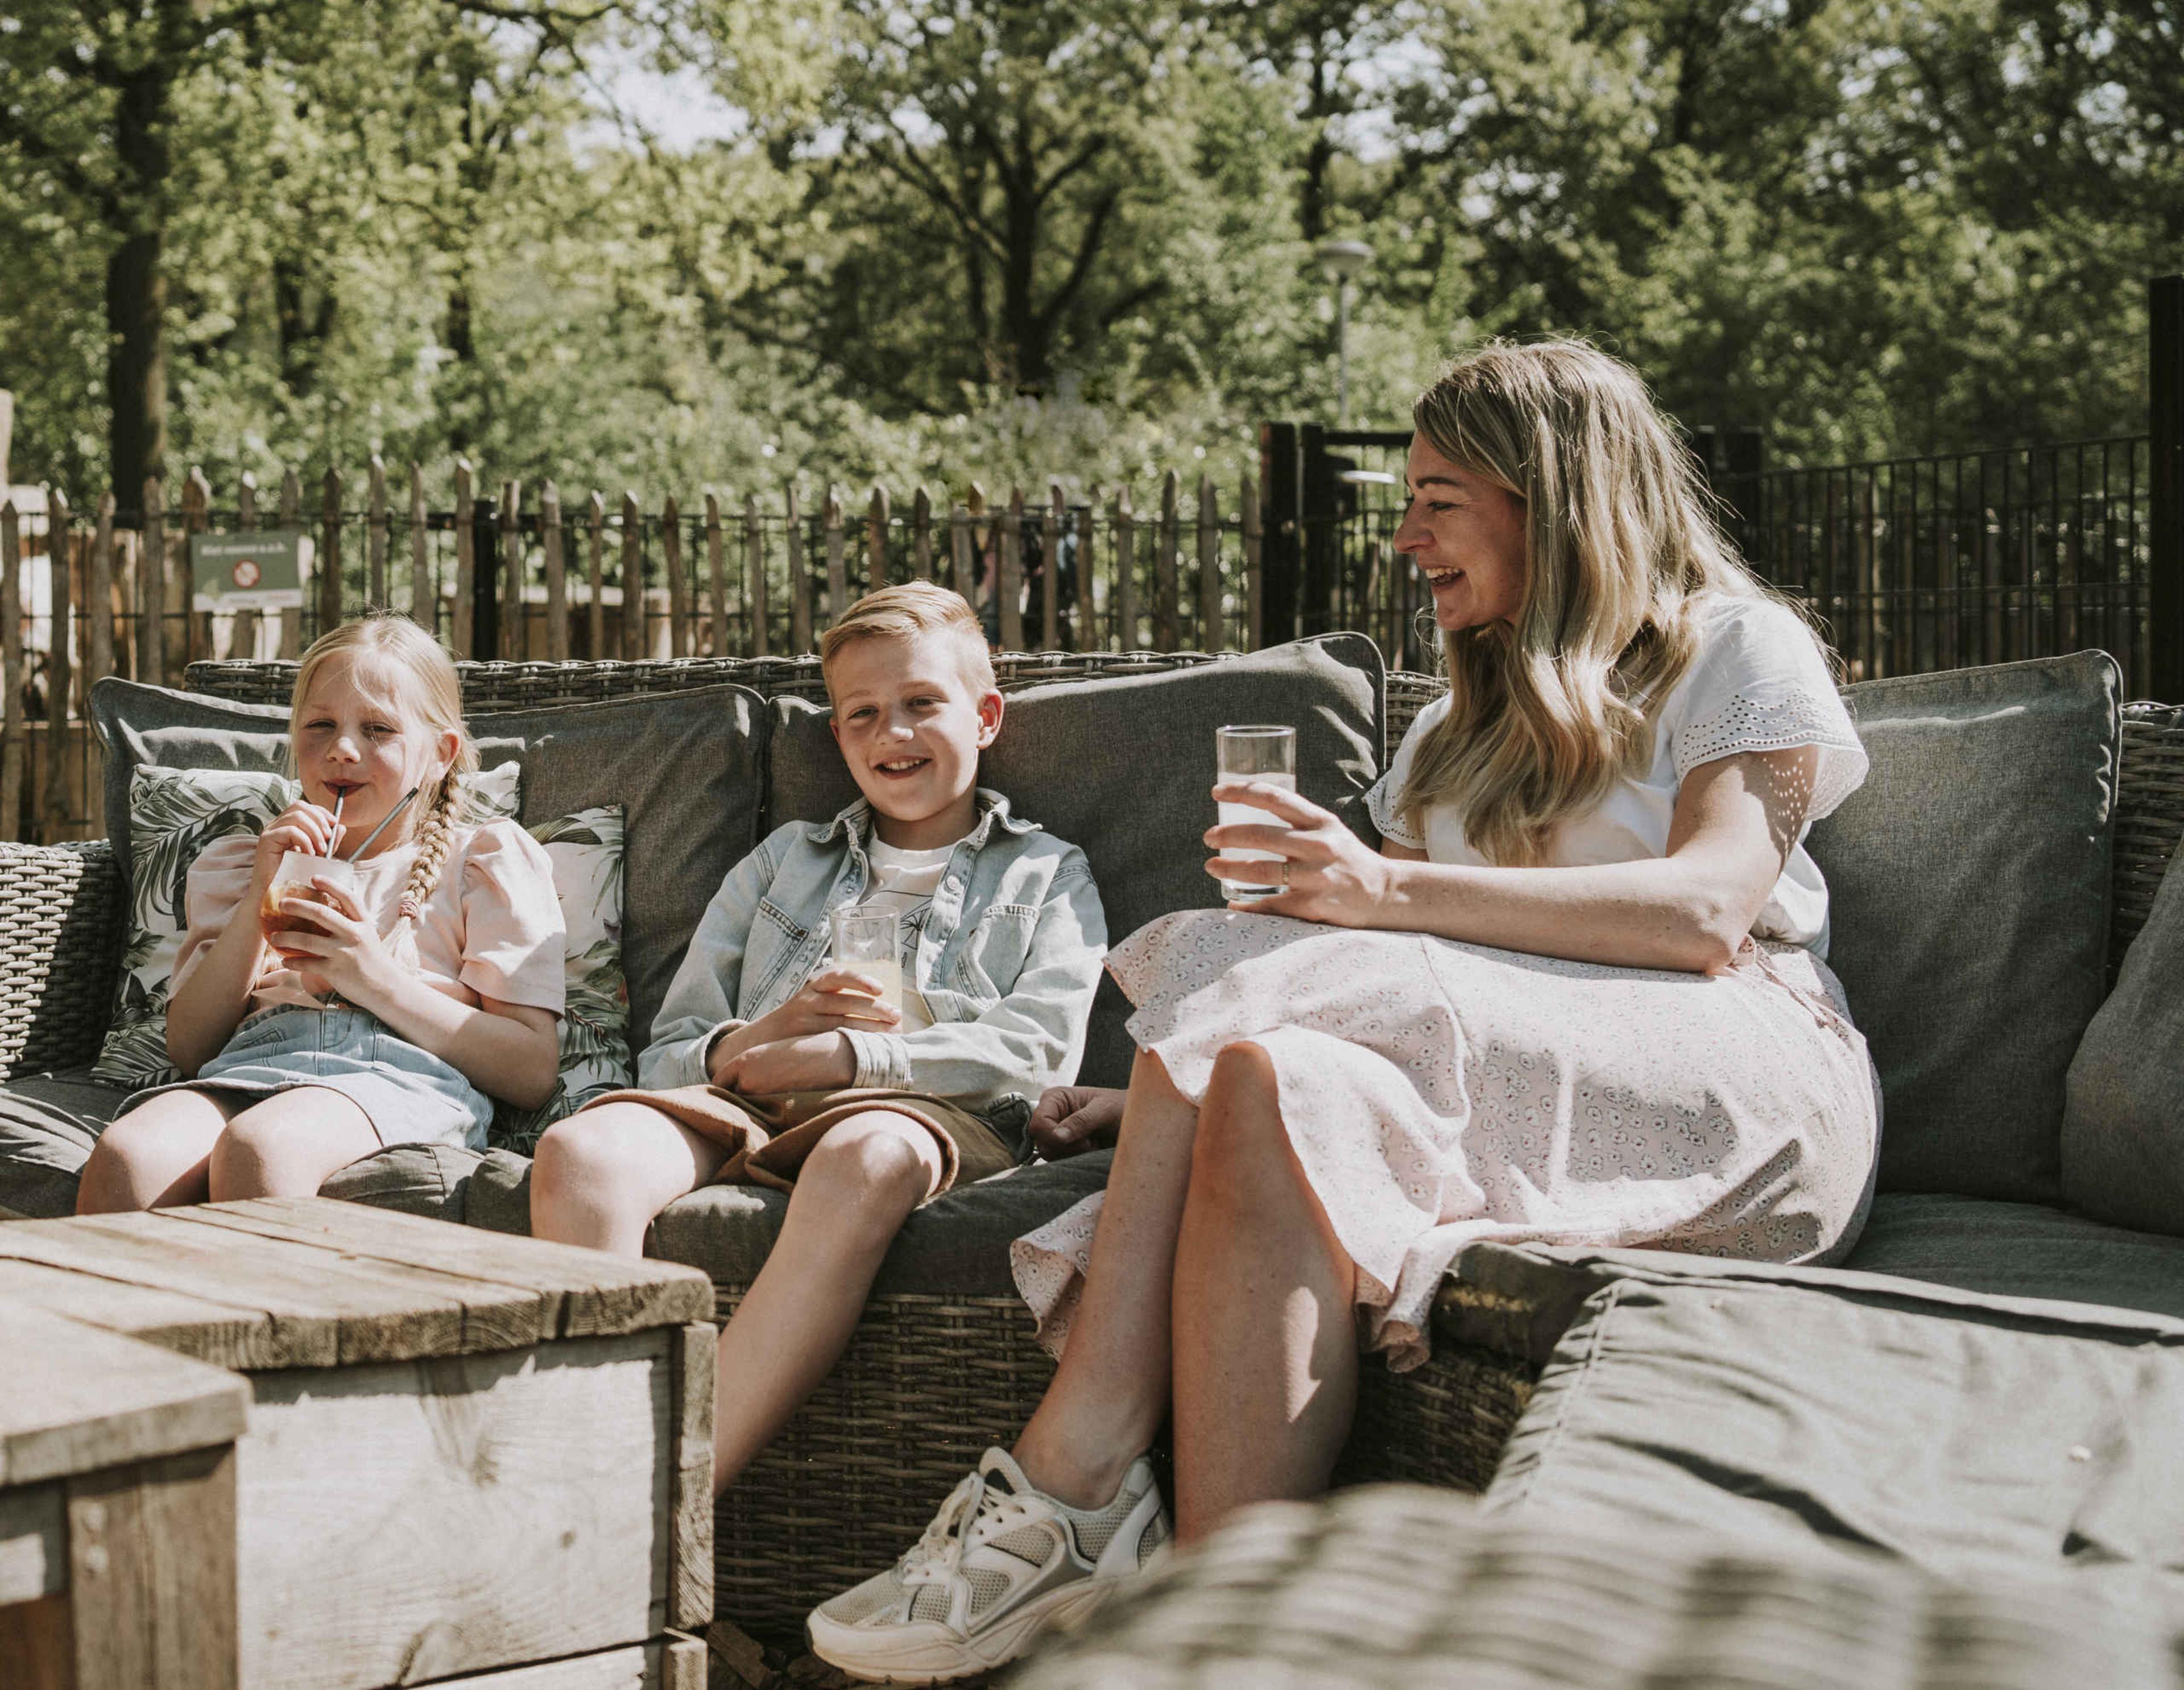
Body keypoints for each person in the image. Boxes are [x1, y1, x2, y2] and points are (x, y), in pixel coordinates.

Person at [805, 339, 1882, 1683]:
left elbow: (1707, 913)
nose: (1404, 531)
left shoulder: (1734, 644)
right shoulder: (1450, 733)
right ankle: (1214, 1630)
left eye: (1438, 494)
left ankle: (1070, 1472)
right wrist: (1179, 1075)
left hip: (1739, 1078)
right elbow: (1348, 967)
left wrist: (1377, 886)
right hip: (1502, 1081)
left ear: (1549, 495)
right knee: (1261, 1070)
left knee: (1237, 959)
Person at [528, 581, 1108, 1503]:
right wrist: (763, 1037)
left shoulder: (1044, 870)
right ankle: (598, 1461)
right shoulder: (783, 861)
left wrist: (852, 1060)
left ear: (986, 715)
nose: (894, 735)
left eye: (922, 704)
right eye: (864, 715)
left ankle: (653, 1508)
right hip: (751, 1098)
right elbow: (678, 1044)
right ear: (838, 737)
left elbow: (1038, 1050)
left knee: (865, 1152)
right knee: (580, 1152)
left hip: (929, 1108)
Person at [77, 612, 566, 1212]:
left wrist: (371, 977)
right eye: (321, 725)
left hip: (400, 1077)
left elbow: (532, 1067)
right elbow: (190, 1045)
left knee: (262, 1147)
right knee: (129, 1156)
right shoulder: (246, 859)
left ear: (440, 755)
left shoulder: (481, 859)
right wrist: (260, 898)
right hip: (249, 1067)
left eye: (378, 729)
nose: (341, 749)